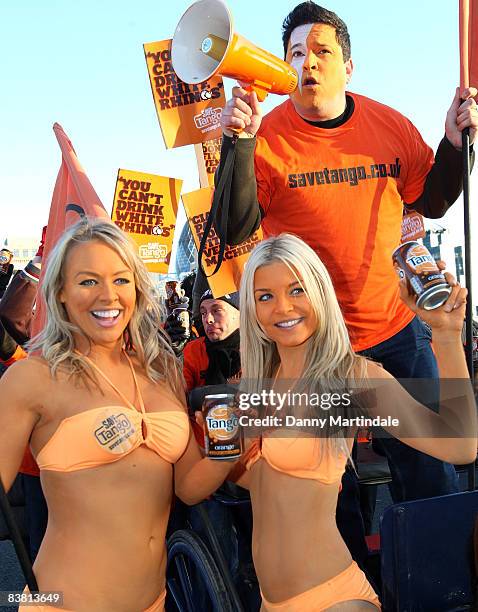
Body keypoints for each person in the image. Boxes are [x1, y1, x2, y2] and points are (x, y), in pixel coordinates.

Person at [213, 1, 478, 503]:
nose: (307, 62)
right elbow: (234, 226)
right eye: (295, 53)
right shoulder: (265, 136)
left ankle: (431, 580)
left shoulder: (389, 124)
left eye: (321, 51)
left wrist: (452, 143)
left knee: (428, 475)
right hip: (315, 344)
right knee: (329, 489)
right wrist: (240, 142)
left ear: (348, 66)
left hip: (397, 331)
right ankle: (348, 577)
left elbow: (434, 200)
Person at [0, 218, 238, 612]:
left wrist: (229, 441)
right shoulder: (32, 379)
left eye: (121, 280)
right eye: (88, 281)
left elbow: (189, 487)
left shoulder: (161, 368)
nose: (108, 296)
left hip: (155, 602)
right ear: (60, 292)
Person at [231, 233, 476, 611]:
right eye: (265, 296)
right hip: (270, 602)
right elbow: (260, 483)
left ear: (319, 293)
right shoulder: (261, 378)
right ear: (251, 308)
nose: (282, 307)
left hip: (333, 599)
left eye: (297, 290)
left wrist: (444, 335)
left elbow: (460, 445)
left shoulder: (350, 378)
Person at [183, 289, 240, 390]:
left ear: (239, 313)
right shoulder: (193, 350)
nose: (208, 319)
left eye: (217, 310)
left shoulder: (260, 350)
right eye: (203, 313)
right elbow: (178, 395)